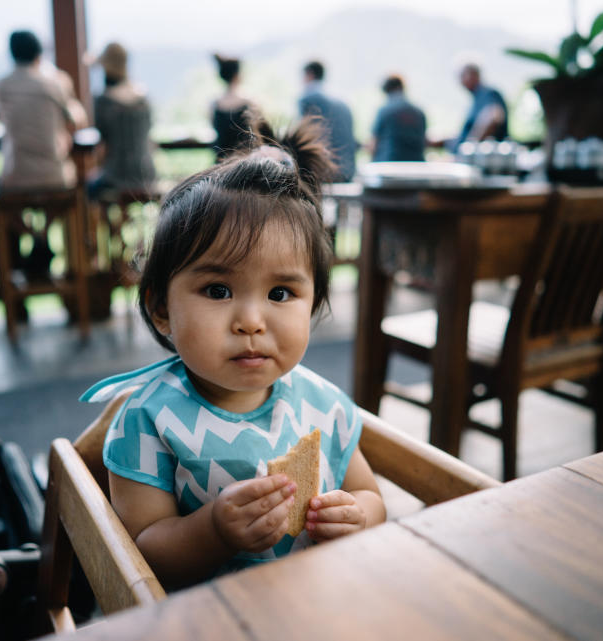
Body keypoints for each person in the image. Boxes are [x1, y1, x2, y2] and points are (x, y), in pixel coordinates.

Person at [79, 119, 386, 589]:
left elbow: (369, 494)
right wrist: (213, 532)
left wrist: (358, 517)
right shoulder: (148, 419)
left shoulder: (323, 405)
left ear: (314, 304)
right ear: (162, 309)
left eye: (281, 294)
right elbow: (142, 553)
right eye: (218, 289)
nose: (251, 321)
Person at [0, 30, 88, 191]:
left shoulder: (0, 87)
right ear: (39, 54)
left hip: (14, 175)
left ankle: (18, 217)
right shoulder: (55, 84)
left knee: (4, 198)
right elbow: (79, 119)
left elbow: (0, 117)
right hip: (54, 175)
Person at [88, 42, 156, 199]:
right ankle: (116, 224)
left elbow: (102, 142)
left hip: (116, 176)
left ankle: (105, 224)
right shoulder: (143, 99)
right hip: (147, 174)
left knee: (90, 186)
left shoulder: (103, 101)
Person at [298, 60, 357, 182]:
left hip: (324, 171)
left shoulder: (308, 98)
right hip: (349, 171)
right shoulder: (343, 102)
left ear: (309, 74)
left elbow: (302, 137)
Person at [210, 53, 257, 161]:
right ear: (237, 75)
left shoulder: (214, 105)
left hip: (221, 164)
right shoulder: (250, 102)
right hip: (245, 163)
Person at [369, 74, 427, 162]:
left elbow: (374, 143)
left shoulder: (384, 110)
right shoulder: (419, 111)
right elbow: (424, 142)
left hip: (389, 163)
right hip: (416, 164)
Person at [452, 62, 508, 151]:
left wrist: (471, 145)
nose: (460, 80)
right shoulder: (476, 98)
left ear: (473, 74)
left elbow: (495, 116)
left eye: (462, 75)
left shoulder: (488, 93)